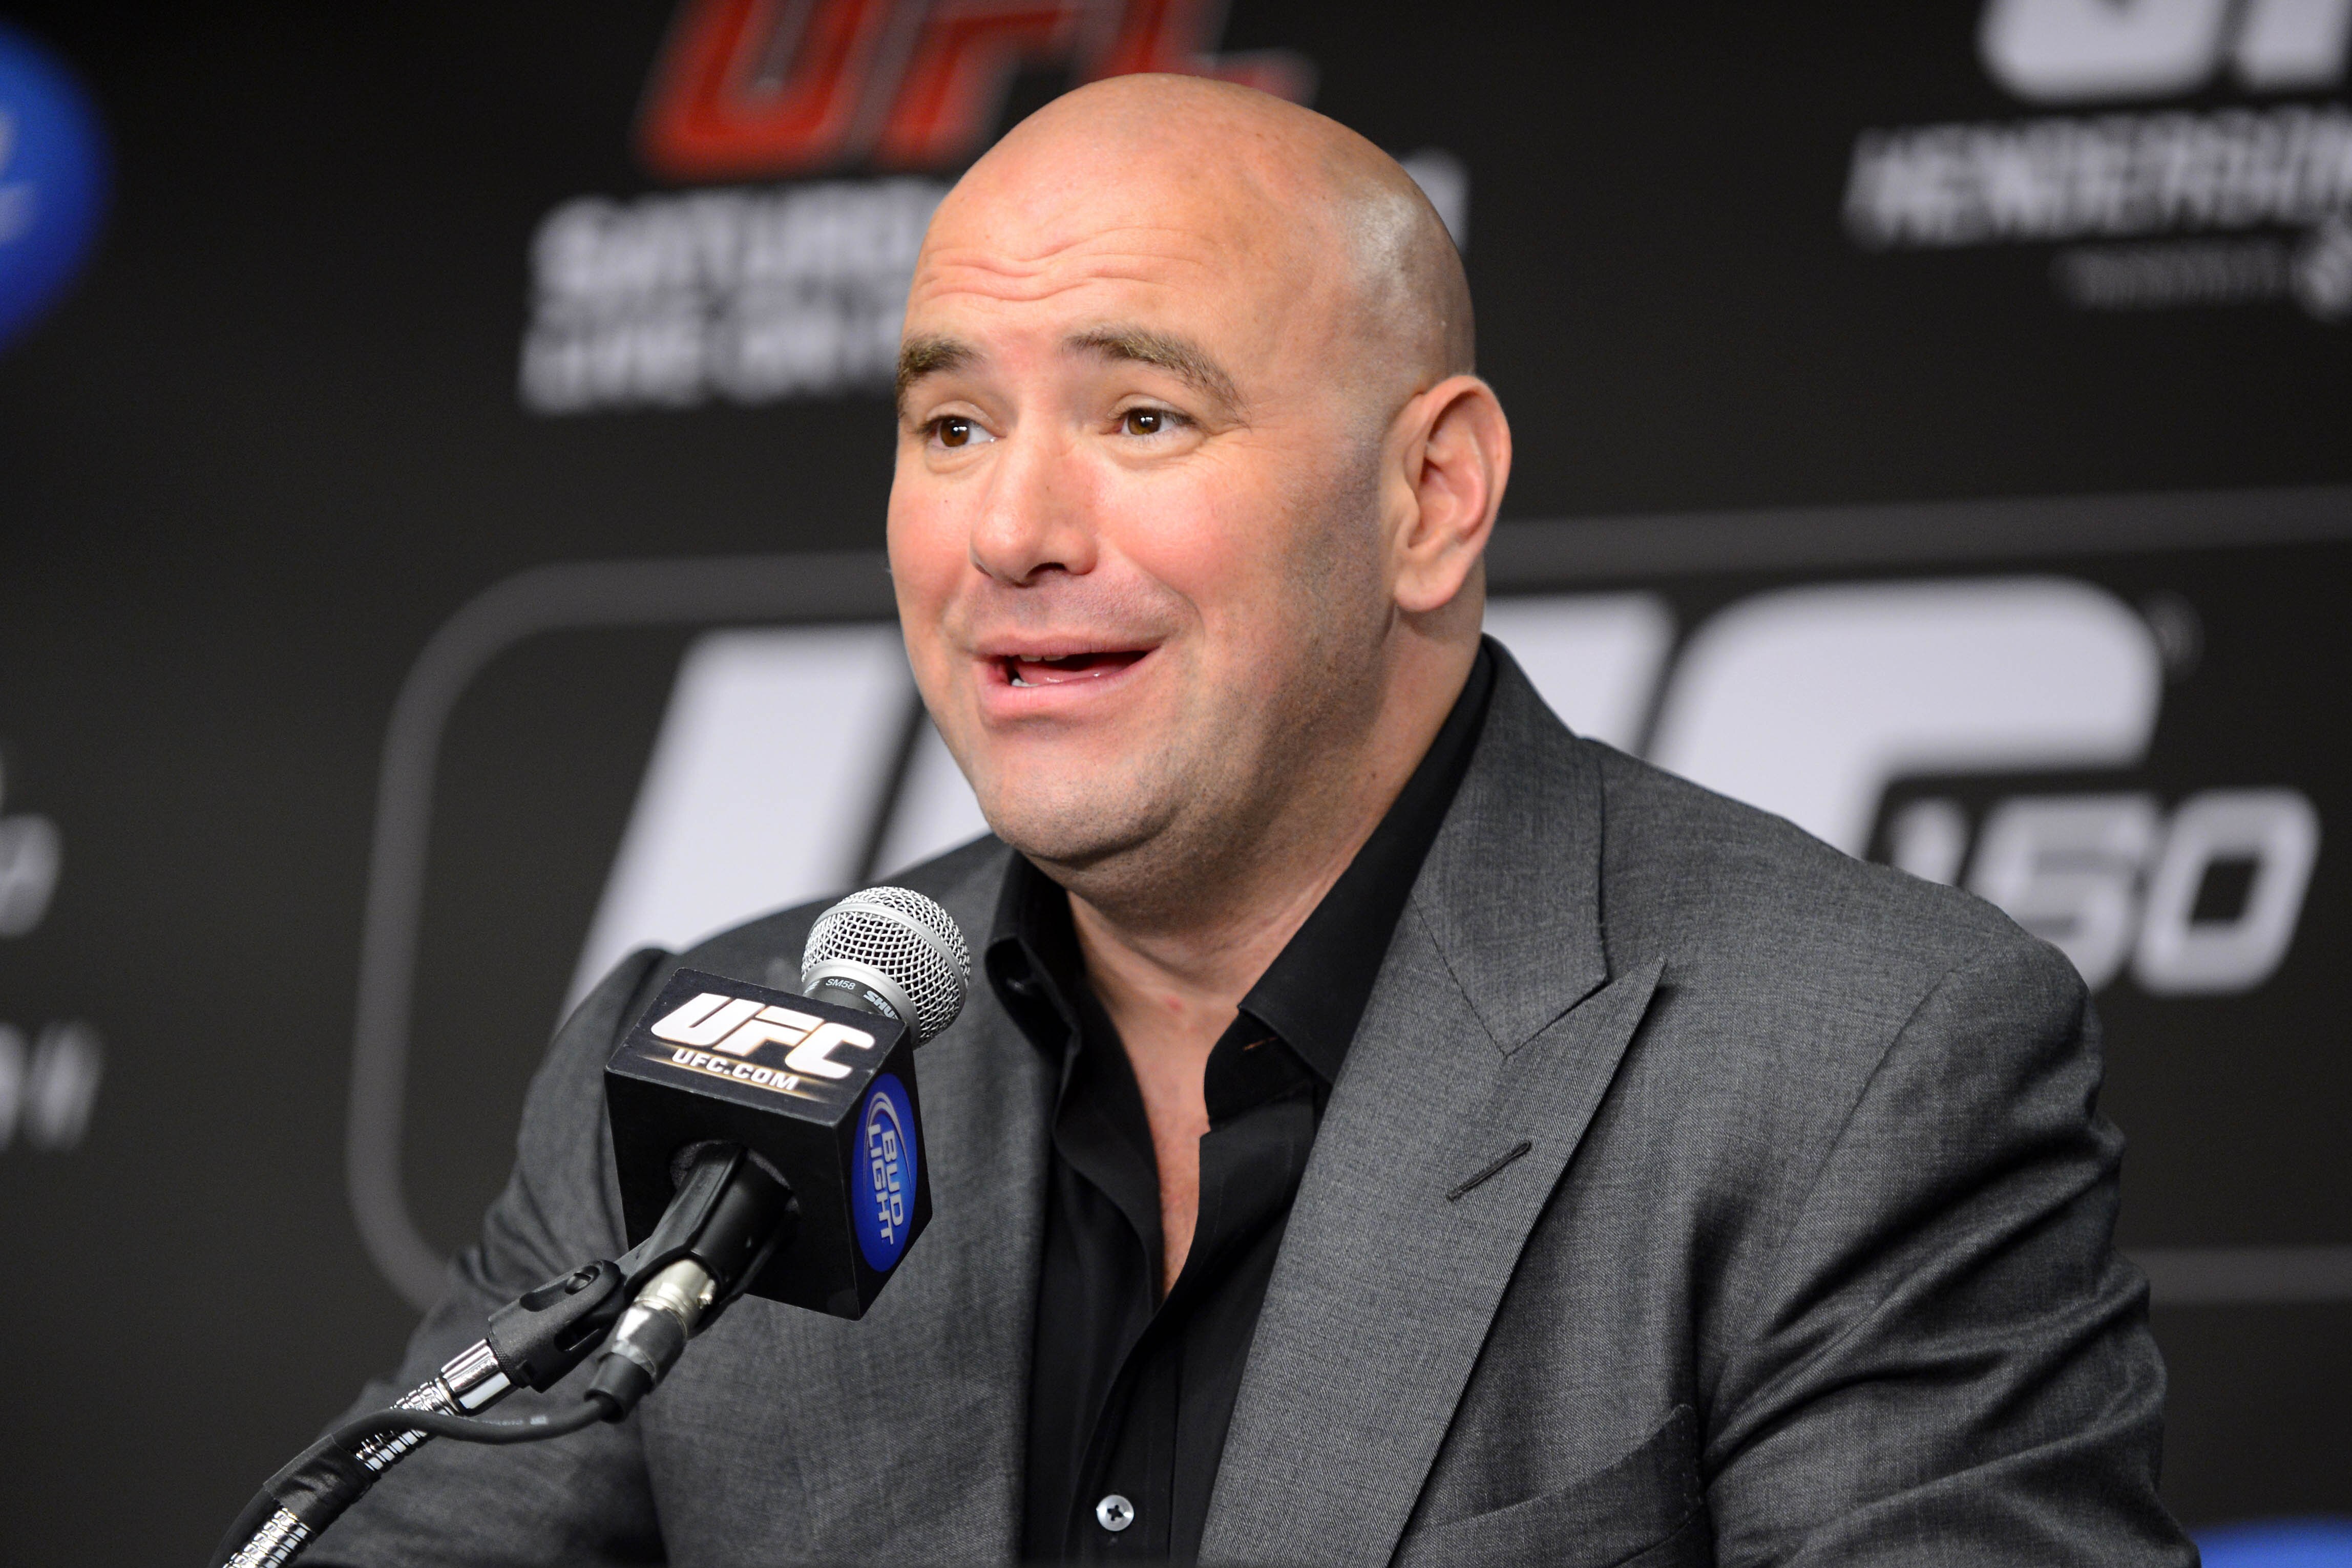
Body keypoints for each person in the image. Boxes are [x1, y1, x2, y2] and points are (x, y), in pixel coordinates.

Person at [312, 75, 2192, 1566]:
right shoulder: (689, 1073)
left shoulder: (1860, 1067)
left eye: (1143, 419)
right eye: (952, 429)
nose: (1009, 532)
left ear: (1432, 498)